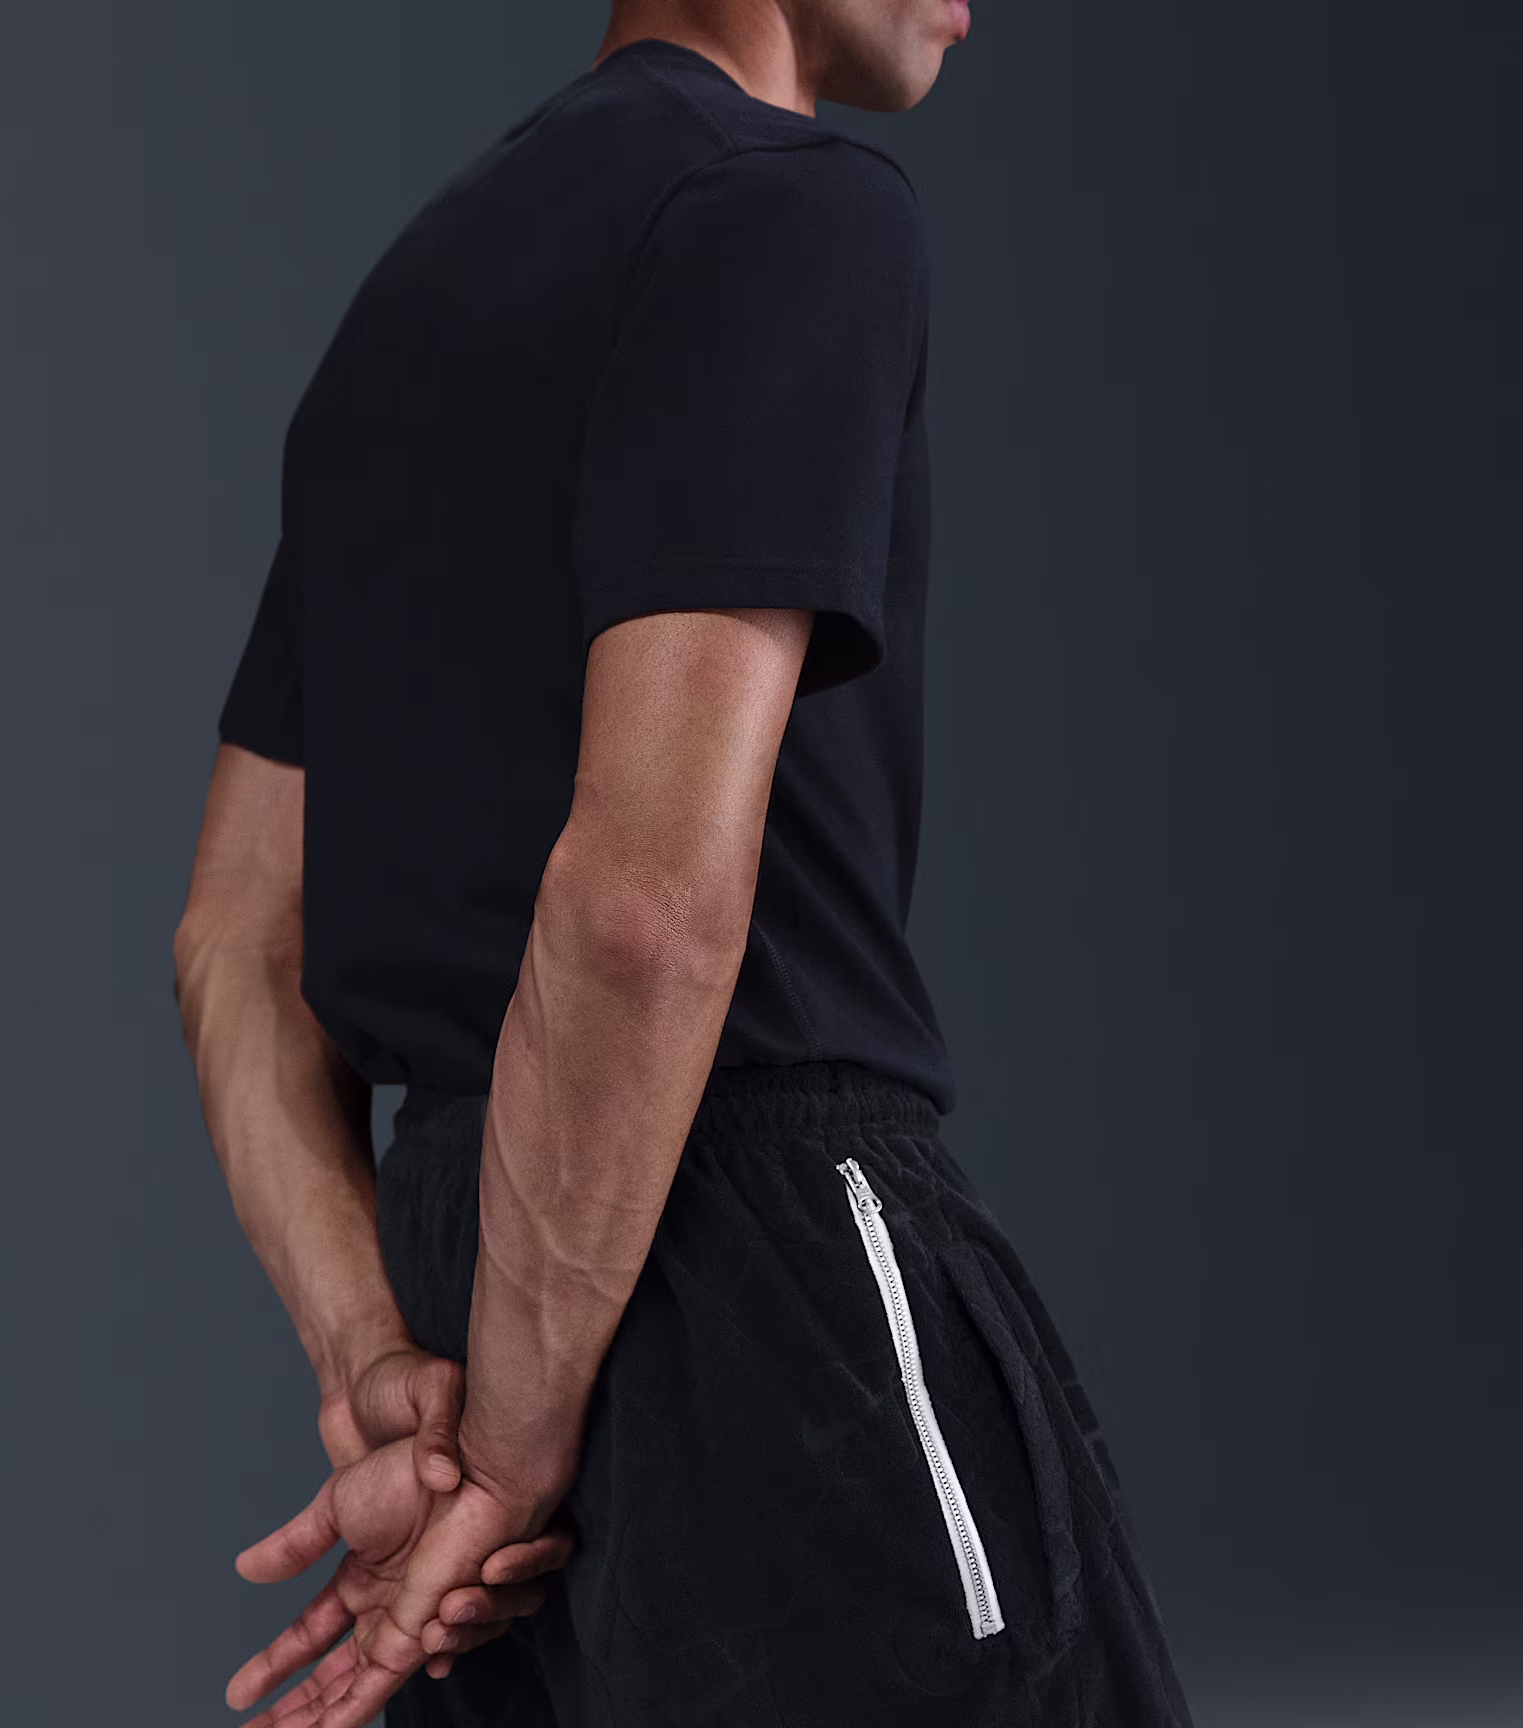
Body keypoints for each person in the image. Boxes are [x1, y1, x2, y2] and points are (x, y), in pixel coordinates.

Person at [173, 4, 1197, 1724]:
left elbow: (233, 944)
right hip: (741, 1259)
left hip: (463, 1280)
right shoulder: (787, 206)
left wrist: (388, 1373)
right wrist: (511, 1453)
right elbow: (643, 912)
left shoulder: (404, 309)